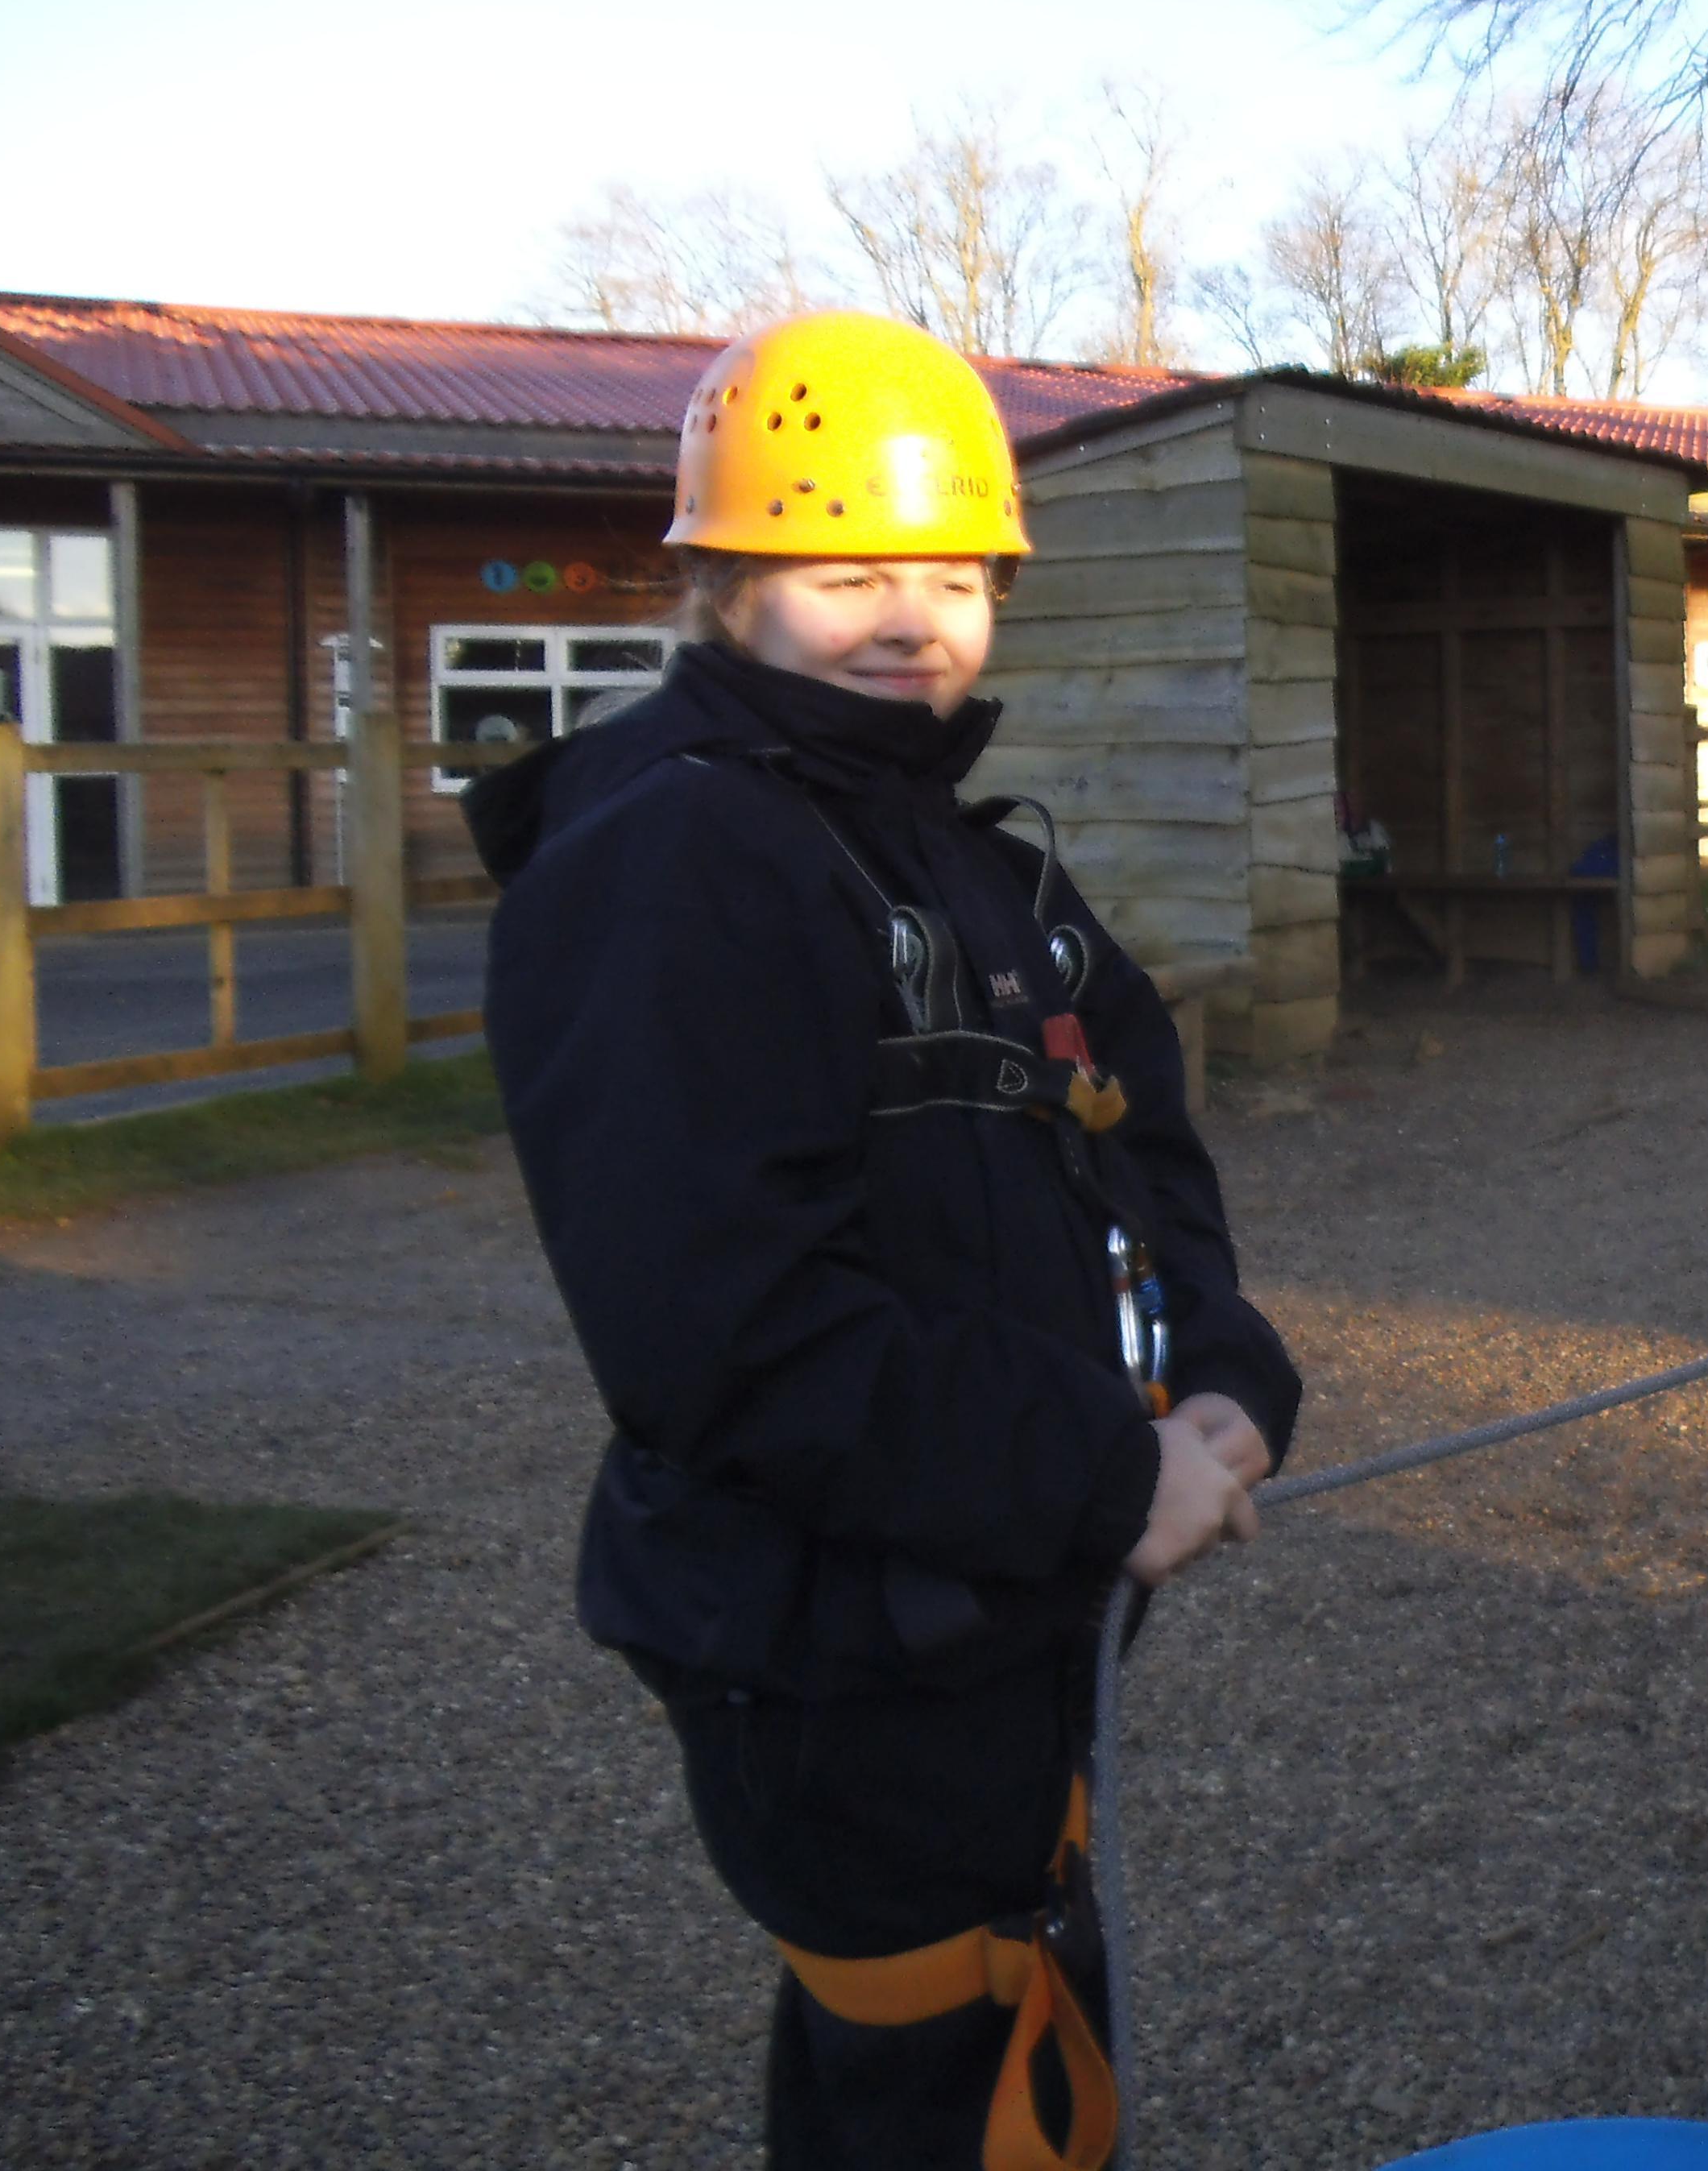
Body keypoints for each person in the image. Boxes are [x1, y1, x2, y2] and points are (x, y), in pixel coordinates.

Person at [469, 309, 1298, 2171]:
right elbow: (722, 1331)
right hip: (837, 1644)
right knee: (936, 2072)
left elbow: (1140, 1149)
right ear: (729, 590)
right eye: (847, 574)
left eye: (953, 573)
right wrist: (1105, 1472)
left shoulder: (968, 859)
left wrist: (1225, 1374)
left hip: (998, 1591)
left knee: (993, 2018)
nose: (912, 618)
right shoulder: (678, 857)